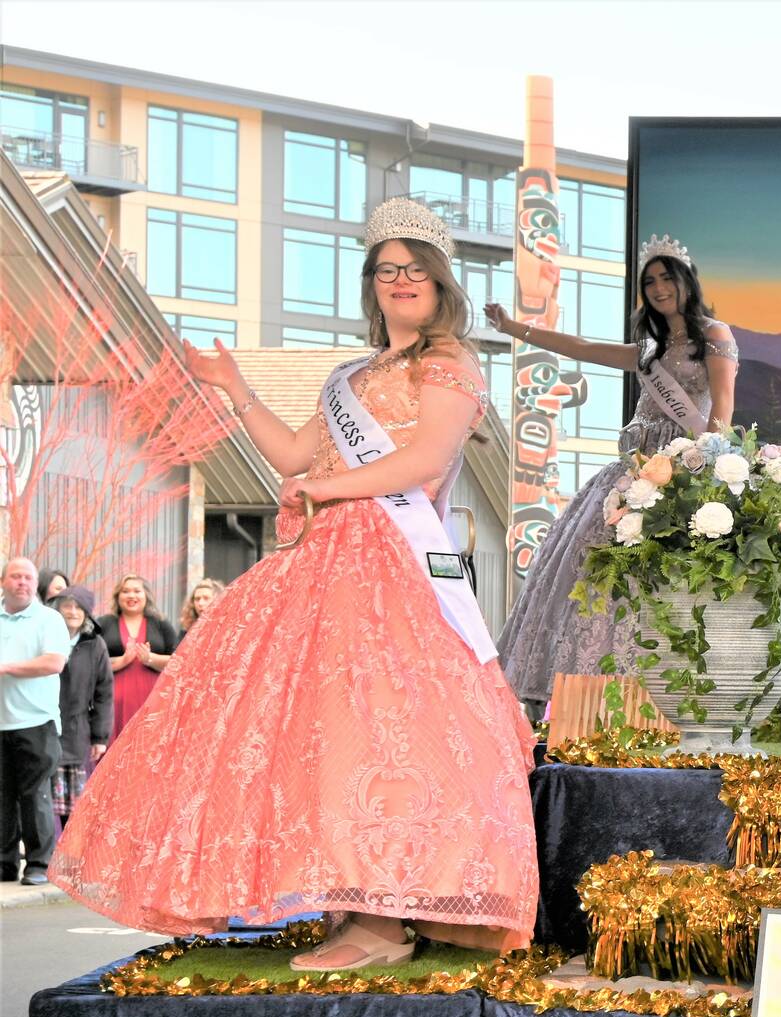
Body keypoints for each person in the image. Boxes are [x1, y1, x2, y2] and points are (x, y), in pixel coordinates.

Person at [51, 198, 538, 970]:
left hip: (391, 565)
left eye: (415, 268)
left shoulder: (449, 366)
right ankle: (351, 905)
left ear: (441, 283)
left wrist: (327, 491)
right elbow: (290, 457)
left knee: (386, 730)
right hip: (324, 560)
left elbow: (422, 463)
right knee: (321, 729)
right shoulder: (350, 376)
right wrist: (234, 386)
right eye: (386, 269)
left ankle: (386, 920)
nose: (400, 280)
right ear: (371, 286)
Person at [487, 236, 740, 711]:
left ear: (686, 281)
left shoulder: (715, 335)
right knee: (588, 567)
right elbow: (582, 346)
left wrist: (704, 477)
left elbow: (721, 409)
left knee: (655, 580)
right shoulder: (649, 348)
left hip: (679, 472)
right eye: (650, 282)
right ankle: (587, 696)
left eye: (667, 278)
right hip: (631, 471)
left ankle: (654, 696)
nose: (660, 288)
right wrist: (514, 328)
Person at [0, 557, 72, 885]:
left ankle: (39, 865)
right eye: (15, 576)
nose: (23, 582)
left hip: (36, 721)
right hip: (1, 721)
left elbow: (54, 662)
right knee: (2, 797)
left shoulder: (48, 619)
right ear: (3, 582)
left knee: (34, 795)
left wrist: (7, 667)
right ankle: (4, 864)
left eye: (28, 577)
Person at [47, 591, 111, 830]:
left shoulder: (95, 645)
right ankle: (43, 860)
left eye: (78, 607)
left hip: (77, 734)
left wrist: (100, 737)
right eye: (67, 606)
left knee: (74, 812)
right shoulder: (46, 639)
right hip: (44, 729)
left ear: (86, 613)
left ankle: (69, 864)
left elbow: (104, 693)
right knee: (43, 805)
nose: (73, 612)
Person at [97, 574, 178, 741]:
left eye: (137, 591)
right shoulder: (104, 623)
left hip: (153, 700)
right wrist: (121, 662)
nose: (131, 596)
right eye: (125, 591)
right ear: (117, 597)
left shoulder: (161, 624)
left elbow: (179, 662)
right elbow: (91, 662)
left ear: (146, 596)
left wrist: (151, 659)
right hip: (112, 702)